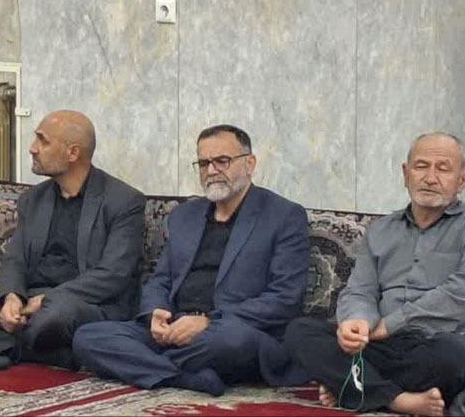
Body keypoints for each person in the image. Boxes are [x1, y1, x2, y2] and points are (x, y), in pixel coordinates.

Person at [72, 124, 311, 396]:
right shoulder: (185, 215)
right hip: (176, 326)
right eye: (204, 163)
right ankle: (186, 377)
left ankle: (149, 366)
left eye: (222, 161)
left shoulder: (284, 216)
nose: (211, 171)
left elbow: (285, 298)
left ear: (250, 164)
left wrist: (208, 321)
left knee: (232, 341)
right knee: (88, 337)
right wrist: (156, 313)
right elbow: (160, 280)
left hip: (232, 330)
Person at [284, 132, 465, 416]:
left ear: (462, 180)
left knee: (451, 356)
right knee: (300, 332)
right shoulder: (381, 230)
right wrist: (357, 322)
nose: (430, 178)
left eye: (443, 169)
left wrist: (390, 325)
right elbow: (360, 290)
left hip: (452, 344)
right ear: (405, 173)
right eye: (421, 166)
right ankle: (397, 399)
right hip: (387, 346)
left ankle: (352, 386)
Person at [0, 110, 145, 371]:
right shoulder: (33, 199)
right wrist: (12, 299)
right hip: (30, 303)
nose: (32, 148)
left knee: (55, 316)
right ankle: (44, 354)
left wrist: (45, 299)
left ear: (73, 153)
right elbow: (15, 259)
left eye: (43, 141)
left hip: (82, 305)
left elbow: (114, 275)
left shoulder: (123, 201)